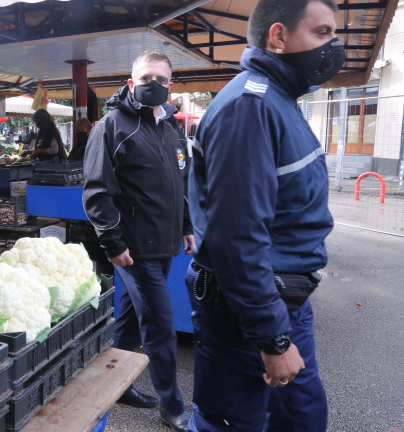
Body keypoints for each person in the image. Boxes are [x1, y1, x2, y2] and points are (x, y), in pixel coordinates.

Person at [185, 1, 343, 430]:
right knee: (234, 421)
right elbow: (238, 237)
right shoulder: (250, 107)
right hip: (251, 313)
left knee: (300, 418)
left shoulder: (277, 100)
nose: (335, 45)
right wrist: (272, 337)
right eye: (323, 31)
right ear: (278, 36)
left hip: (278, 303)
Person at [82, 50, 194, 432]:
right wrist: (113, 244)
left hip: (164, 245)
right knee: (160, 326)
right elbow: (97, 192)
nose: (154, 85)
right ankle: (171, 405)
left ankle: (117, 382)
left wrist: (187, 224)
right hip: (134, 250)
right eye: (146, 78)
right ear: (131, 83)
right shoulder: (112, 126)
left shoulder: (170, 127)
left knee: (128, 321)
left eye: (161, 80)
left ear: (170, 85)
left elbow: (179, 182)